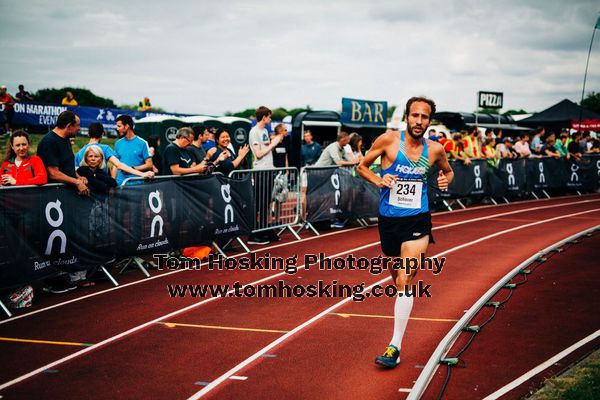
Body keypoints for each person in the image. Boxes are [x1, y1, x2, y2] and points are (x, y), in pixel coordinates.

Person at [357, 96, 454, 369]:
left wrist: (446, 179)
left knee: (405, 277)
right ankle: (401, 310)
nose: (419, 121)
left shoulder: (435, 149)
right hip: (389, 221)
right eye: (415, 116)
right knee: (397, 278)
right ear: (407, 117)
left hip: (418, 221)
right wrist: (379, 178)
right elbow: (362, 166)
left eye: (424, 117)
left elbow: (448, 172)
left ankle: (394, 346)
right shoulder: (388, 140)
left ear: (429, 121)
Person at [37, 111, 89, 292]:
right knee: (55, 237)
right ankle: (52, 279)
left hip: (66, 196)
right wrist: (76, 182)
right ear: (68, 126)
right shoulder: (49, 142)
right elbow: (53, 172)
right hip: (52, 199)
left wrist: (79, 177)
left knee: (69, 235)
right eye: (77, 125)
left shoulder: (65, 140)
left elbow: (67, 166)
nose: (79, 128)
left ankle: (68, 273)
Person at [248, 106, 282, 245]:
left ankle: (262, 229)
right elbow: (259, 154)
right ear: (264, 117)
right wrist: (273, 144)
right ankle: (253, 233)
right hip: (260, 171)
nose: (270, 119)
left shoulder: (265, 131)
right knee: (259, 203)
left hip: (268, 171)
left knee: (266, 203)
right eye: (269, 116)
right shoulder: (254, 132)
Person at [74, 122, 154, 180]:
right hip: (101, 190)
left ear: (88, 134)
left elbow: (75, 172)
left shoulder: (79, 153)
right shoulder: (105, 149)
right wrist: (143, 174)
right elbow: (119, 165)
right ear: (102, 134)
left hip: (85, 191)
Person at [114, 115, 154, 185]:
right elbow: (115, 165)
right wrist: (113, 183)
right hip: (120, 184)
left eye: (119, 126)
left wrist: (132, 168)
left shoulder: (143, 143)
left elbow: (149, 165)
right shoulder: (118, 143)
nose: (117, 129)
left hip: (137, 184)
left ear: (127, 126)